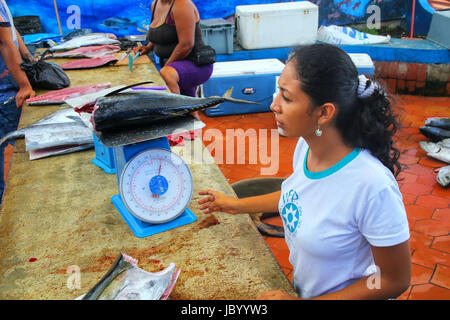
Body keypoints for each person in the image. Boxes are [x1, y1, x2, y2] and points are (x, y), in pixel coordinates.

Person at [198, 44, 411, 300]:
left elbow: (393, 280)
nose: (274, 105)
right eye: (278, 92)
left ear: (324, 112)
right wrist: (233, 205)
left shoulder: (372, 186)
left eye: (287, 98)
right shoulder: (306, 147)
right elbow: (297, 197)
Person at [136, 0, 213, 97]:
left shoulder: (182, 4)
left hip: (195, 63)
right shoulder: (155, 4)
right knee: (190, 109)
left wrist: (165, 68)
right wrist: (148, 48)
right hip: (174, 66)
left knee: (166, 74)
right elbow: (159, 33)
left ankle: (175, 110)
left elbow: (186, 45)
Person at [0, 0, 35, 206]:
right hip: (5, 92)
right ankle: (7, 204)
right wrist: (24, 84)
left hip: (9, 85)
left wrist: (30, 61)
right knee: (8, 147)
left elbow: (13, 34)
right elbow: (4, 41)